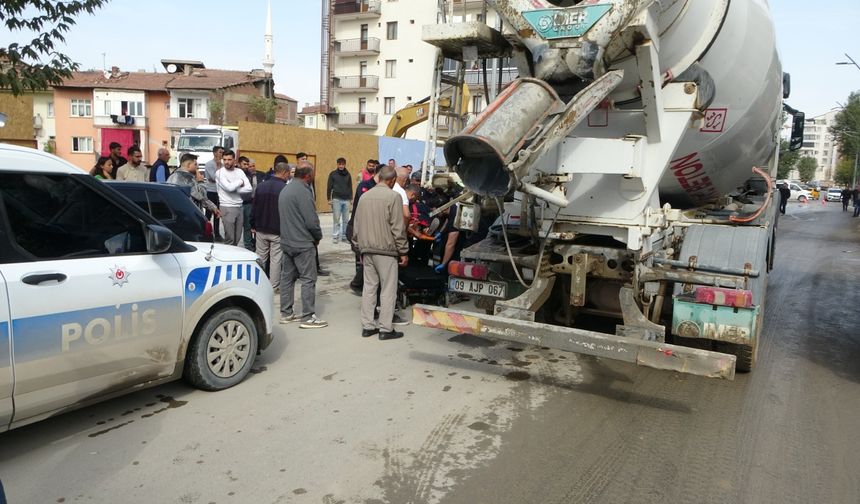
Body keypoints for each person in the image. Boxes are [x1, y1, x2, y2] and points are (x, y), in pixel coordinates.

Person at [352, 165, 408, 340]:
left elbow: (356, 224)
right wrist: (403, 251)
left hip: (367, 250)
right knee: (388, 290)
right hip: (386, 251)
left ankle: (367, 326)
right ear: (392, 180)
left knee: (369, 288)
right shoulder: (394, 197)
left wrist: (358, 246)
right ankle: (385, 328)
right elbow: (397, 228)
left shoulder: (364, 196)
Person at [278, 163, 327, 329]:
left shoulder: (286, 189)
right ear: (307, 176)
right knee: (308, 279)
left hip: (286, 241)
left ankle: (286, 313)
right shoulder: (303, 191)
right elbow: (311, 221)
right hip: (302, 243)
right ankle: (307, 316)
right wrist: (318, 236)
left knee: (287, 279)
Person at [253, 161, 289, 292]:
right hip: (277, 229)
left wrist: (253, 224)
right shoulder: (285, 189)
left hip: (261, 228)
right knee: (276, 259)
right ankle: (273, 286)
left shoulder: (261, 186)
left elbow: (254, 206)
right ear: (284, 172)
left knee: (260, 257)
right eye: (288, 174)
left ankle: (258, 282)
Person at [167, 153, 221, 218]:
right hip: (189, 216)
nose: (197, 167)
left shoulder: (173, 176)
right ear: (189, 165)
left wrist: (213, 207)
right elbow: (201, 196)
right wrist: (201, 182)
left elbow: (199, 197)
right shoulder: (187, 178)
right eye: (195, 164)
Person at [215, 149, 252, 246]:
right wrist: (240, 182)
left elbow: (249, 189)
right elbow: (229, 188)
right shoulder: (220, 173)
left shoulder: (239, 171)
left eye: (229, 159)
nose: (226, 162)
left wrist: (236, 189)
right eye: (225, 159)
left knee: (237, 239)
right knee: (230, 239)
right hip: (227, 206)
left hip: (239, 206)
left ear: (234, 160)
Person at [327, 157, 353, 244]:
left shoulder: (348, 174)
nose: (341, 166)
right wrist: (328, 198)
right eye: (339, 164)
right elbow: (329, 186)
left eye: (343, 164)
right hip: (336, 199)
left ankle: (344, 236)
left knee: (346, 220)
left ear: (345, 165)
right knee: (336, 219)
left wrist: (351, 198)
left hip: (346, 200)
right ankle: (335, 236)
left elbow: (350, 187)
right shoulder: (333, 174)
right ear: (337, 164)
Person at [204, 146, 225, 241]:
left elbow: (224, 177)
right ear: (215, 153)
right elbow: (213, 177)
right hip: (211, 191)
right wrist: (218, 166)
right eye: (220, 152)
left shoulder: (223, 165)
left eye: (222, 152)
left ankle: (217, 234)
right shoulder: (209, 164)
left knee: (217, 214)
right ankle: (205, 232)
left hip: (219, 191)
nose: (222, 154)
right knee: (208, 213)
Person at [238, 156, 257, 251]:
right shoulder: (236, 173)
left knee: (247, 225)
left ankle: (248, 246)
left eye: (248, 165)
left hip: (248, 203)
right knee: (236, 226)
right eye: (245, 164)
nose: (248, 167)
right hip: (237, 203)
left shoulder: (251, 175)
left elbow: (253, 190)